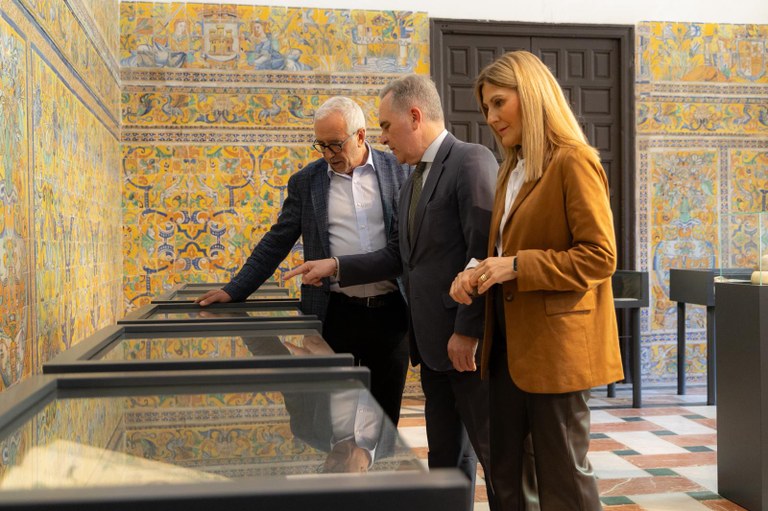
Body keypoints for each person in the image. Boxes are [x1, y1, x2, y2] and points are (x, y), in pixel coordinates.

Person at [285, 75, 499, 511]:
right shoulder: (413, 179)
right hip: (432, 347)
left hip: (464, 345)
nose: (382, 137)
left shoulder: (470, 160)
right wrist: (337, 266)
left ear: (415, 117)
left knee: (497, 460)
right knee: (446, 461)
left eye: (385, 126)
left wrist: (468, 330)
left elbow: (484, 255)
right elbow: (398, 257)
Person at [450, 50, 624, 510]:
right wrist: (475, 272)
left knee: (564, 482)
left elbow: (600, 257)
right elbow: (504, 251)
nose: (490, 117)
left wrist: (517, 267)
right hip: (506, 349)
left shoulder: (574, 161)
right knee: (507, 477)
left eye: (499, 103)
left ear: (530, 95)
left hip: (556, 352)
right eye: (486, 107)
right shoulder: (511, 168)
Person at [196, 96, 410, 425]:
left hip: (391, 315)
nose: (328, 154)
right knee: (333, 416)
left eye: (335, 144)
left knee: (384, 419)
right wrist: (234, 289)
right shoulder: (307, 181)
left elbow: (408, 245)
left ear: (360, 136)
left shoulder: (399, 171)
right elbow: (277, 240)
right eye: (321, 145)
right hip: (335, 315)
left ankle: (378, 459)